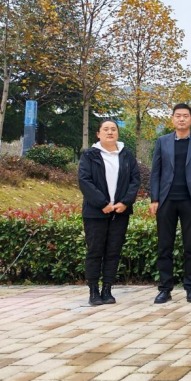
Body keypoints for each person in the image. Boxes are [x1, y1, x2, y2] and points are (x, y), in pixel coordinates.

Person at [149, 103, 191, 304]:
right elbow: (156, 172)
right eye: (178, 116)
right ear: (173, 119)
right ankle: (164, 289)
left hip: (190, 200)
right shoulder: (162, 141)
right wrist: (154, 199)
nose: (182, 119)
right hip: (166, 200)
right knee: (164, 246)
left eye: (185, 116)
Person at [78, 119, 141, 306]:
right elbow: (84, 181)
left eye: (113, 129)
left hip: (120, 212)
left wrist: (125, 202)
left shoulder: (126, 155)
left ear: (118, 133)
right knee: (95, 251)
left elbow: (135, 180)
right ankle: (93, 291)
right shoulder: (89, 155)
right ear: (98, 134)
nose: (110, 132)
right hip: (95, 212)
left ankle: (107, 289)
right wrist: (102, 203)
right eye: (105, 129)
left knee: (113, 251)